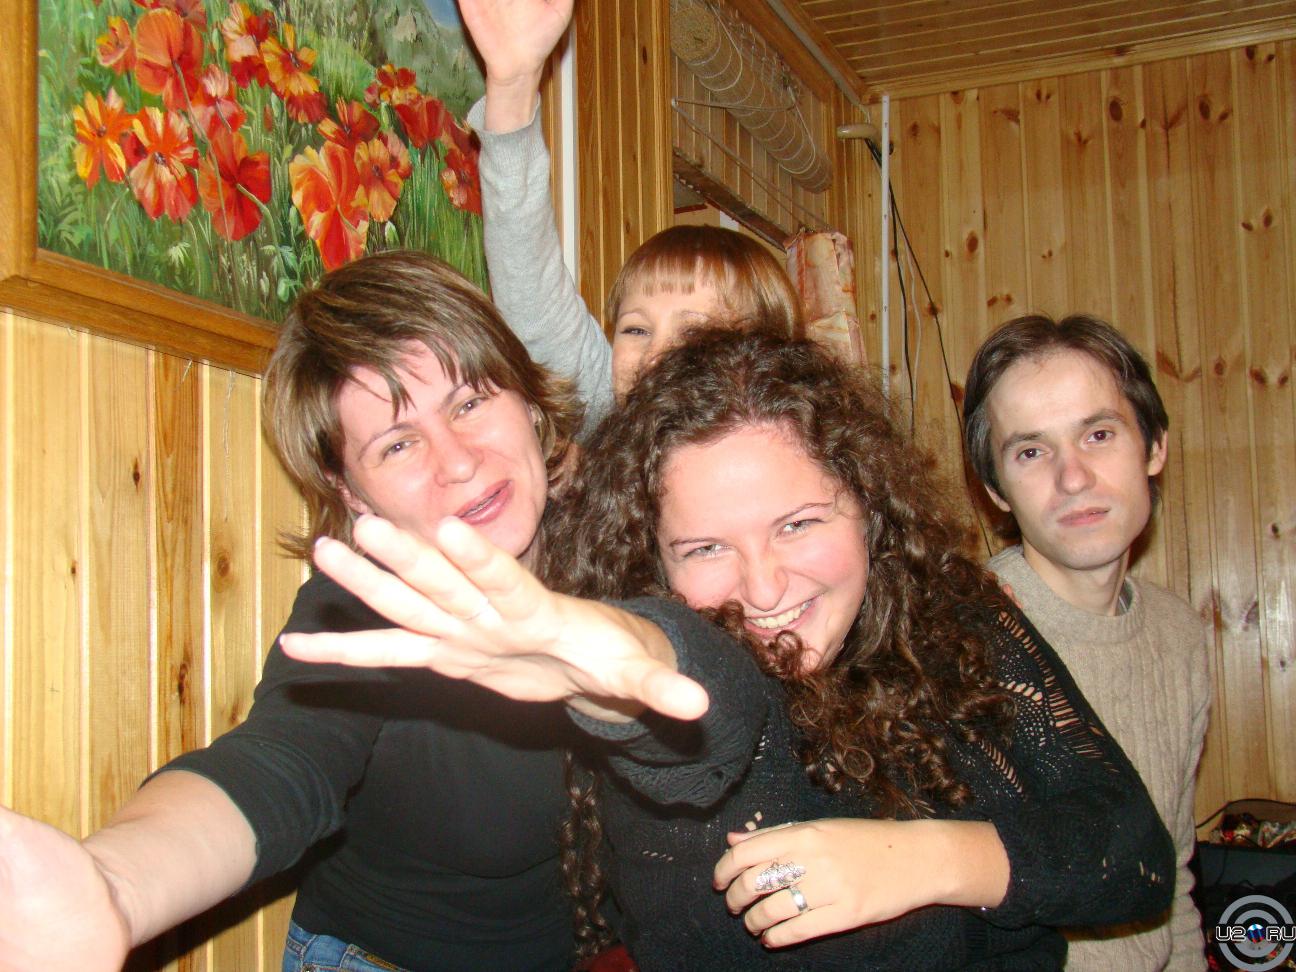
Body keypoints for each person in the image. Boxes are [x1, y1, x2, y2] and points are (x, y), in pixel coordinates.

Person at [284, 328, 1178, 971]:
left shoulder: (953, 610)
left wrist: (928, 860)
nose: (763, 586)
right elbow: (698, 695)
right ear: (656, 563)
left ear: (869, 505)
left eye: (799, 523)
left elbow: (1132, 851)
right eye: (706, 548)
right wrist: (625, 662)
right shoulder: (693, 700)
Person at [0, 250, 707, 972]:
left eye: (469, 403)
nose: (458, 461)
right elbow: (278, 763)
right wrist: (115, 888)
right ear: (352, 493)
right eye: (398, 444)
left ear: (528, 400)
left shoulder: (621, 534)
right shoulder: (360, 606)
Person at [962, 314, 1211, 971]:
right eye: (1031, 451)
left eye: (1098, 434)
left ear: (1153, 448)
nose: (1072, 477)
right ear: (996, 490)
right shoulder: (959, 641)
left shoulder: (1179, 635)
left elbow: (1172, 876)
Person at [462, 0, 804, 432]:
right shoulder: (614, 418)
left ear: (766, 360)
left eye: (693, 333)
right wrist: (512, 88)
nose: (655, 355)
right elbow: (531, 292)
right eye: (636, 330)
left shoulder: (789, 461)